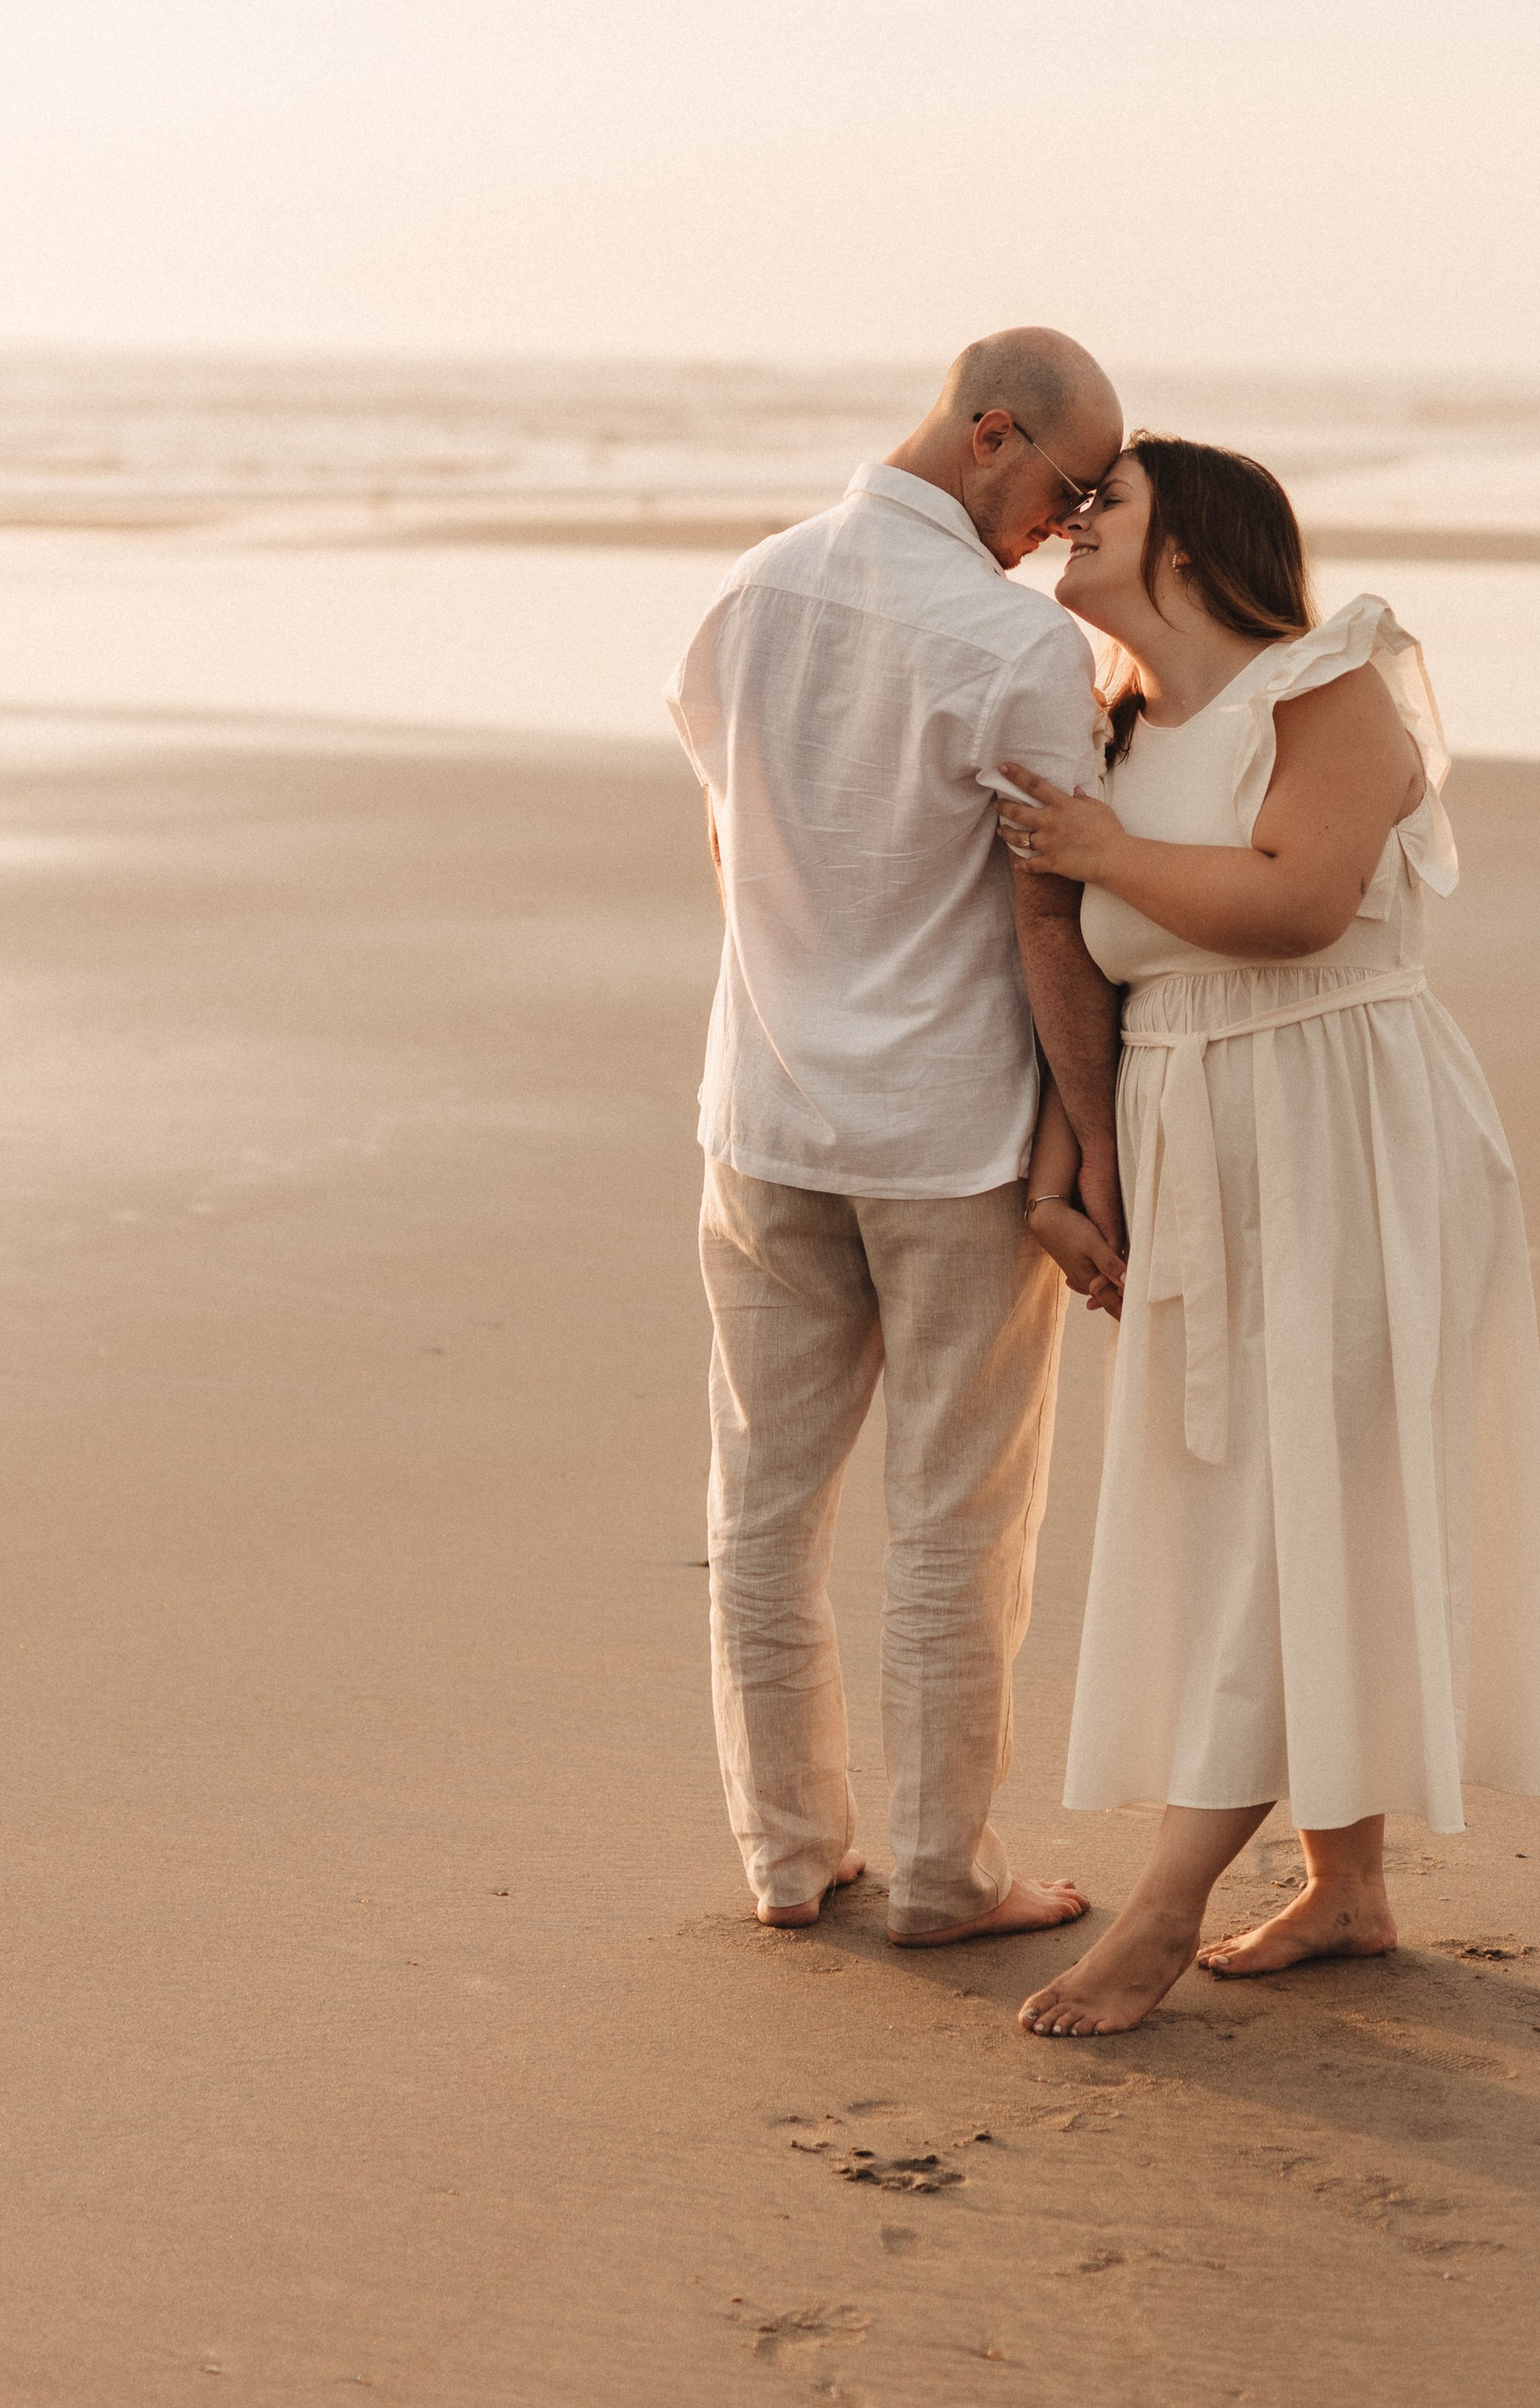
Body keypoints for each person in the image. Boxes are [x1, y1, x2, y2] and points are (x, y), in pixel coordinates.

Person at [1001, 437, 1540, 2036]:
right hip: (1197, 1133)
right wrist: (1065, 1171)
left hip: (1352, 1122)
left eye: (1102, 505)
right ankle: (1350, 1884)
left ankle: (1164, 1907)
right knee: (1270, 1495)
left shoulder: (1330, 687)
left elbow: (1301, 900)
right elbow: (1103, 991)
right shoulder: (1117, 731)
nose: (1069, 524)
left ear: (1189, 543)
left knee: (1288, 1503)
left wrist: (1107, 854)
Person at [665, 329, 1129, 1944]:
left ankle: (790, 1855)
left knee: (762, 1509)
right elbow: (1052, 920)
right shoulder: (1013, 650)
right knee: (955, 1522)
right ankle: (945, 1874)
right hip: (949, 1143)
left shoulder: (751, 590)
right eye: (1067, 494)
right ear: (990, 432)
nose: (1064, 534)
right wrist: (1098, 1153)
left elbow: (728, 832)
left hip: (767, 1115)